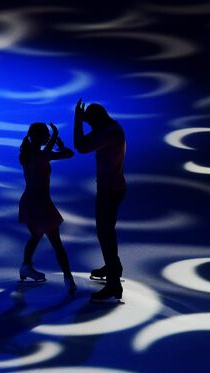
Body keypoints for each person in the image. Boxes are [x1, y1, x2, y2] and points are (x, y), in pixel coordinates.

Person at [73, 99, 126, 302]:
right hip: (113, 187)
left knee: (105, 234)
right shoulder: (112, 128)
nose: (90, 126)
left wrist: (77, 120)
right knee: (106, 232)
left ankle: (114, 283)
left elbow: (81, 146)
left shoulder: (108, 133)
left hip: (109, 190)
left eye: (90, 122)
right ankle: (114, 267)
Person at [18, 122, 77, 295]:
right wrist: (56, 140)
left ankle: (26, 266)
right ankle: (68, 278)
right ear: (39, 137)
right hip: (39, 203)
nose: (46, 137)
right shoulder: (37, 155)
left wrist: (56, 142)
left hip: (31, 201)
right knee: (56, 243)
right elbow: (68, 154)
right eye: (44, 135)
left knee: (36, 235)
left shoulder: (30, 153)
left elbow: (66, 153)